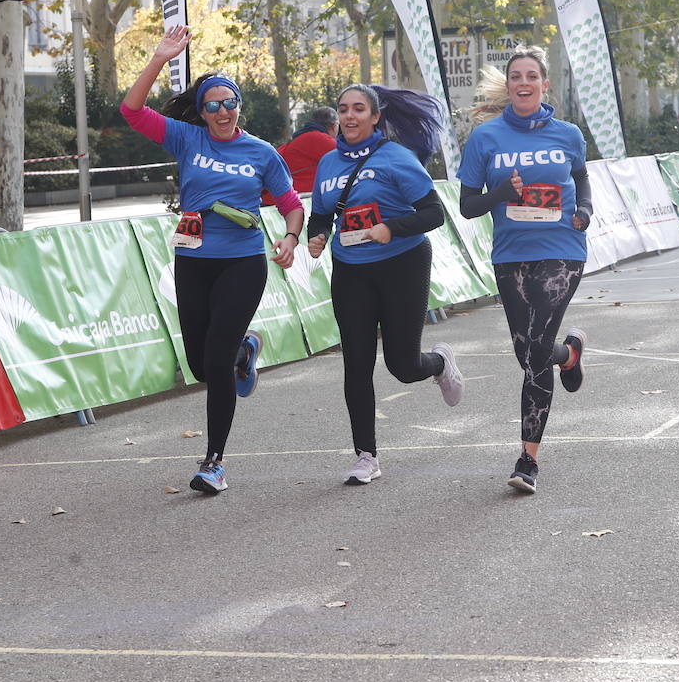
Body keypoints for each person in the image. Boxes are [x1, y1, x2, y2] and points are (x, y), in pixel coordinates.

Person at [121, 25, 305, 495]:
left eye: (229, 103)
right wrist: (160, 58)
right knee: (203, 366)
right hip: (193, 258)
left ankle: (214, 463)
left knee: (216, 361)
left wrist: (288, 237)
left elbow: (291, 204)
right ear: (201, 113)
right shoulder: (186, 139)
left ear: (239, 106)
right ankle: (245, 350)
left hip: (243, 262)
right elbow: (131, 110)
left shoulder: (261, 152)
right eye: (212, 105)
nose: (222, 112)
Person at [306, 84, 463, 486]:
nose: (350, 116)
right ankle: (366, 456)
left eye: (359, 109)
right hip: (351, 270)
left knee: (402, 366)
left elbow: (433, 214)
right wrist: (318, 235)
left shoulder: (396, 158)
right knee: (355, 362)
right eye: (343, 109)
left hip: (402, 265)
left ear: (376, 117)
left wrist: (390, 228)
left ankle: (440, 363)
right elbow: (322, 214)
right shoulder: (327, 163)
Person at [457, 48, 591, 495]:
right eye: (516, 76)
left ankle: (527, 460)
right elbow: (468, 205)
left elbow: (582, 175)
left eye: (532, 76)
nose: (524, 83)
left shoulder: (568, 134)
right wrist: (501, 190)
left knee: (533, 354)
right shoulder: (485, 138)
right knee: (529, 352)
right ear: (509, 86)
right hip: (510, 254)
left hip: (561, 250)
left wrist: (585, 209)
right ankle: (568, 354)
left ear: (544, 84)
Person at [262, 106, 338, 204]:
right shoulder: (320, 139)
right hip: (291, 203)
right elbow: (351, 160)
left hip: (274, 199)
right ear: (334, 126)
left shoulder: (299, 138)